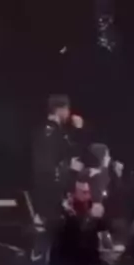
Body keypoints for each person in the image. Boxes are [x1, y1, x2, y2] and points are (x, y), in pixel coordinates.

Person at [32, 94, 85, 228]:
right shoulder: (50, 132)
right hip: (50, 196)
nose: (68, 113)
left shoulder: (57, 132)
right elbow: (47, 165)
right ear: (60, 109)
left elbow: (71, 151)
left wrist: (77, 130)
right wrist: (59, 193)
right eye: (67, 109)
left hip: (55, 194)